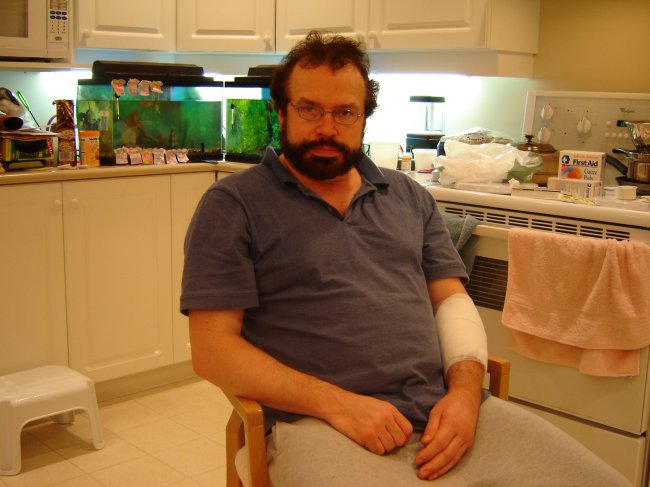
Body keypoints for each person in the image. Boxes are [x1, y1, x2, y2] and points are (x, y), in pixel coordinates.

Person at [181, 31, 630, 487]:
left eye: (345, 112)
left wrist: (465, 394)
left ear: (364, 118)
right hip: (318, 426)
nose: (327, 128)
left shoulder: (409, 196)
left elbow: (451, 302)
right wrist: (338, 404)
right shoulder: (234, 204)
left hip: (446, 414)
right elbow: (213, 350)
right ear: (281, 112)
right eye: (309, 109)